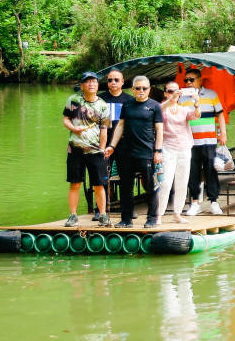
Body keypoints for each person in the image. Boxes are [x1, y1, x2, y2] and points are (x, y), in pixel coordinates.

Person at [114, 75, 164, 227]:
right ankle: (126, 219)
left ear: (149, 89)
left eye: (144, 88)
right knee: (125, 188)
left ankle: (151, 219)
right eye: (138, 88)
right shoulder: (127, 105)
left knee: (150, 187)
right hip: (126, 153)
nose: (141, 91)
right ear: (132, 89)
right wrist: (111, 146)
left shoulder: (155, 106)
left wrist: (158, 151)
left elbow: (159, 129)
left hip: (146, 153)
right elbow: (120, 126)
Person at [63, 71, 110, 227]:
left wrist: (102, 149)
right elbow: (66, 118)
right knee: (75, 183)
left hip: (95, 150)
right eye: (87, 82)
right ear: (82, 85)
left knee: (98, 184)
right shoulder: (74, 100)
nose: (91, 84)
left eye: (94, 81)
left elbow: (104, 129)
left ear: (97, 85)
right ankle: (73, 215)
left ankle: (102, 215)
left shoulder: (103, 105)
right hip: (75, 149)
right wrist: (73, 128)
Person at [183, 68, 226, 217]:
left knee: (210, 170)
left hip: (209, 140)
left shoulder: (211, 94)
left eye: (191, 79)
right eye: (186, 80)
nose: (188, 82)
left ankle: (213, 201)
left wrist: (223, 134)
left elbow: (220, 115)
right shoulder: (182, 98)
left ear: (199, 80)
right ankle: (195, 202)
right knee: (192, 171)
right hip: (190, 141)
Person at [157, 81, 199, 224]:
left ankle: (177, 213)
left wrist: (196, 102)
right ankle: (159, 214)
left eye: (176, 91)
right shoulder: (161, 108)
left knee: (182, 182)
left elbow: (196, 115)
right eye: (169, 91)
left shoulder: (183, 109)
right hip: (168, 148)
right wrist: (170, 99)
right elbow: (158, 111)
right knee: (166, 182)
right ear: (165, 93)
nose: (173, 94)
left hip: (184, 148)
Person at [98, 68, 136, 217]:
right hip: (104, 142)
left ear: (122, 82)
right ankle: (100, 210)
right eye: (110, 80)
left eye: (116, 80)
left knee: (126, 176)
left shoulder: (129, 100)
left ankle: (128, 209)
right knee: (102, 176)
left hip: (124, 143)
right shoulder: (100, 99)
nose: (113, 82)